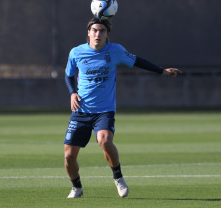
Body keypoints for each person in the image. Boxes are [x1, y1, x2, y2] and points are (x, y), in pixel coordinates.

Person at [64, 17, 181, 198]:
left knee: (104, 140)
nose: (98, 34)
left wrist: (162, 71)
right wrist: (72, 93)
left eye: (102, 31)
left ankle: (118, 177)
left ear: (107, 35)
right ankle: (77, 187)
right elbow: (68, 75)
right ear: (88, 33)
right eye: (94, 30)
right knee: (69, 156)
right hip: (81, 110)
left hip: (104, 110)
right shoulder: (76, 52)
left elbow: (138, 61)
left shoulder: (115, 51)